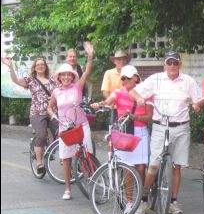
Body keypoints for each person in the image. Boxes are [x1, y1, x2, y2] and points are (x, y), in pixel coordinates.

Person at [130, 51, 204, 214]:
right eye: (169, 63)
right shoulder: (155, 79)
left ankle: (173, 202)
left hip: (181, 127)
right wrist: (140, 99)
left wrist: (197, 105)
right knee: (154, 165)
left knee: (177, 165)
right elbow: (134, 92)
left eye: (175, 63)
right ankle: (143, 200)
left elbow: (200, 98)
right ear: (164, 64)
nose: (172, 66)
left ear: (180, 65)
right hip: (160, 126)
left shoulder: (188, 81)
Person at [47, 42, 94, 200]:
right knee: (66, 158)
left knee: (88, 154)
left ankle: (92, 182)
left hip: (81, 125)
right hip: (65, 128)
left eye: (69, 74)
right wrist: (54, 116)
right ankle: (67, 189)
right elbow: (50, 107)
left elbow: (87, 71)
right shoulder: (56, 91)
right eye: (63, 75)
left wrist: (90, 55)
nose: (66, 77)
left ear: (73, 76)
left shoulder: (78, 87)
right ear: (59, 77)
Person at [91, 65, 152, 186]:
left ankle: (142, 196)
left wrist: (137, 118)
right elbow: (108, 102)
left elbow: (149, 117)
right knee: (127, 167)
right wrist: (99, 104)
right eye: (123, 78)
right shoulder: (118, 92)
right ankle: (130, 202)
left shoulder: (146, 94)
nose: (125, 81)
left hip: (140, 131)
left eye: (128, 78)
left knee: (140, 167)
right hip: (124, 131)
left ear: (135, 78)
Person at [1, 56, 58, 174]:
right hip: (37, 113)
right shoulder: (30, 80)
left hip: (52, 112)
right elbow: (15, 80)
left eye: (42, 64)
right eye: (38, 65)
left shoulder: (53, 80)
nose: (40, 66)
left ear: (45, 66)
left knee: (60, 135)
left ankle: (61, 157)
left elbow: (60, 93)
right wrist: (10, 66)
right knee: (41, 136)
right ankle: (39, 162)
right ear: (35, 67)